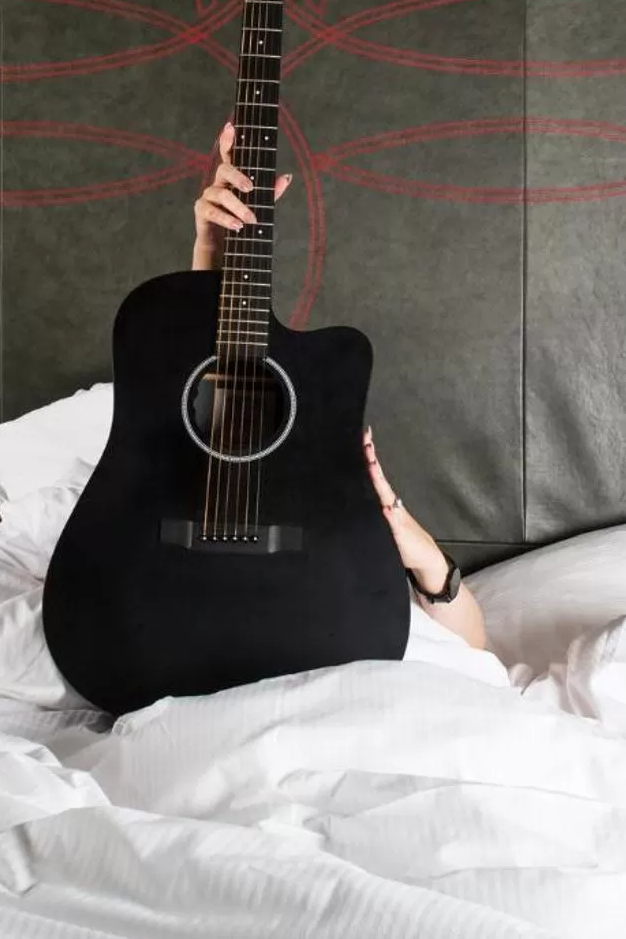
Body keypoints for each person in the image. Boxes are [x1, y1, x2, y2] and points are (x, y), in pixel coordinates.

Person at [191, 121, 488, 651]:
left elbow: (479, 656)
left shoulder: (344, 533)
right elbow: (192, 369)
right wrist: (210, 254)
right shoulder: (160, 462)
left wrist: (414, 545)